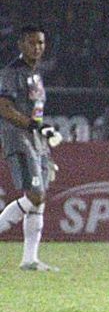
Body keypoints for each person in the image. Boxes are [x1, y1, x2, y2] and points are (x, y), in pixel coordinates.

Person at [0, 25, 61, 271]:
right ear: (21, 44)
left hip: (36, 142)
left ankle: (29, 259)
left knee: (39, 200)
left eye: (41, 43)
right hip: (19, 139)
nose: (37, 48)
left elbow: (35, 111)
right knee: (36, 196)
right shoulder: (11, 72)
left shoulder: (36, 74)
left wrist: (43, 134)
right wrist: (35, 126)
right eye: (32, 43)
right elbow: (4, 108)